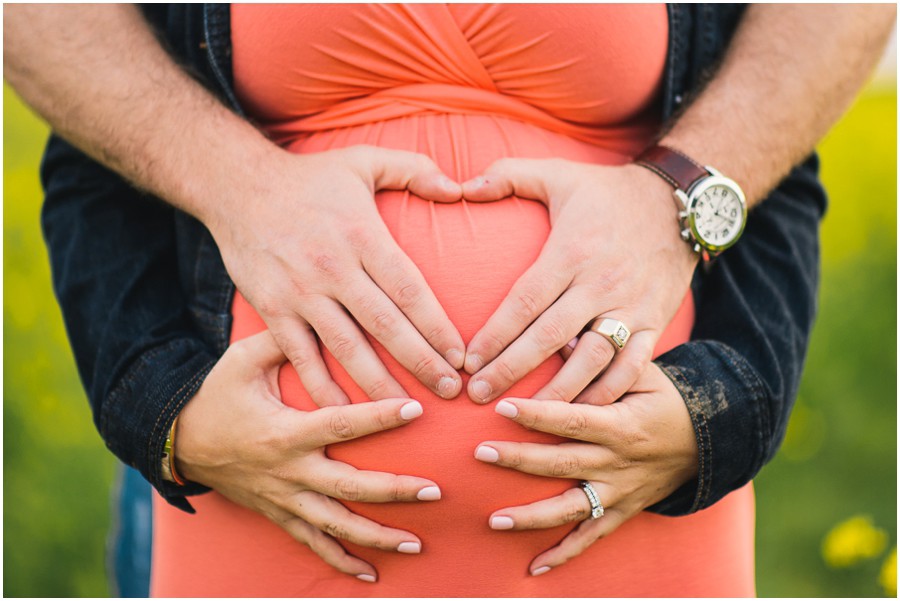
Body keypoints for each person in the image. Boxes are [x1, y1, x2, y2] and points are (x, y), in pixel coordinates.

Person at [5, 2, 894, 597]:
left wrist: (723, 408)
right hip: (257, 533)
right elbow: (86, 120)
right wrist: (173, 418)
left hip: (632, 539)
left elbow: (788, 110)